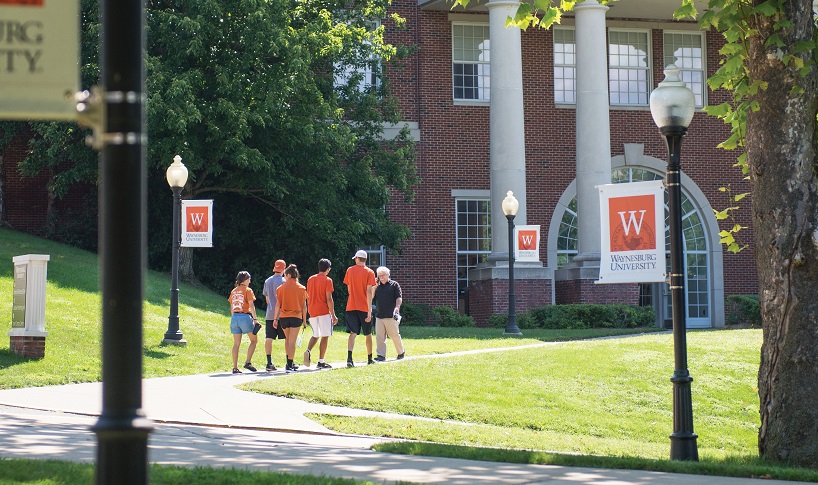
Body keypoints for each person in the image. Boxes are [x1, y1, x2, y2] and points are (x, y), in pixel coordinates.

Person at [343, 249, 377, 367]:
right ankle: (369, 358)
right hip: (364, 307)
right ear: (365, 260)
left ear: (357, 259)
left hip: (351, 306)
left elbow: (348, 290)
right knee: (368, 334)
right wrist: (369, 311)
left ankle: (349, 358)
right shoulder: (369, 272)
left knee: (352, 333)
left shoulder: (350, 270)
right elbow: (369, 291)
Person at [273, 264, 308, 373]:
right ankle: (290, 364)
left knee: (287, 340)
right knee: (292, 341)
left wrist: (275, 319)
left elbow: (278, 304)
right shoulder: (302, 288)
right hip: (296, 317)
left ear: (288, 275)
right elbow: (304, 306)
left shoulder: (280, 288)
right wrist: (304, 320)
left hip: (283, 317)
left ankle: (289, 361)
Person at [304, 258, 338, 369]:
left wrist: (309, 310)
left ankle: (308, 350)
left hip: (312, 310)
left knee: (315, 334)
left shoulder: (310, 279)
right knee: (325, 335)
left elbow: (308, 296)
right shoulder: (328, 280)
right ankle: (321, 361)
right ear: (327, 269)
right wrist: (333, 314)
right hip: (323, 310)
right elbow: (329, 298)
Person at [228, 271, 259, 374]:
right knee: (254, 341)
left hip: (235, 317)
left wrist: (234, 317)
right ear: (245, 280)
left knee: (236, 344)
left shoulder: (234, 291)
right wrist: (255, 319)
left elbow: (232, 305)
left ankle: (235, 367)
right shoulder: (248, 290)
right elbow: (251, 305)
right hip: (245, 316)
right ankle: (248, 362)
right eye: (249, 279)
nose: (250, 281)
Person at [373, 266, 405, 361]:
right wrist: (373, 287)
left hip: (391, 316)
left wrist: (397, 307)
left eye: (383, 275)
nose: (381, 277)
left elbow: (399, 298)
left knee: (394, 335)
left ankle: (401, 352)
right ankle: (381, 355)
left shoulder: (394, 285)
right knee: (379, 337)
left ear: (388, 275)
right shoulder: (376, 286)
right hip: (379, 315)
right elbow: (371, 297)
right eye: (379, 275)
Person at [262, 259, 287, 372]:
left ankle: (269, 362)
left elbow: (267, 299)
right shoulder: (284, 281)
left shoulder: (267, 281)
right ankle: (289, 362)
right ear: (284, 269)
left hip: (270, 314)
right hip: (282, 314)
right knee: (287, 338)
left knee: (269, 338)